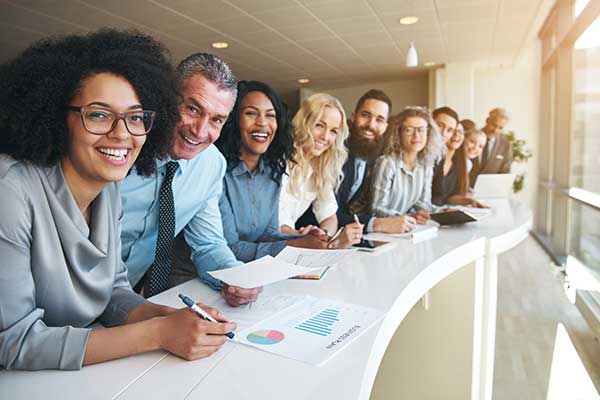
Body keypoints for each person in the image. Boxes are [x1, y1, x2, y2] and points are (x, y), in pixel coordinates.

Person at [0, 30, 235, 371]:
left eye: (136, 117)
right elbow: (13, 341)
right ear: (56, 115)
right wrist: (157, 333)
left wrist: (169, 317)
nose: (122, 133)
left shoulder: (107, 189)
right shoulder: (10, 191)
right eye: (98, 114)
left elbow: (112, 290)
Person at [120, 53, 260, 307]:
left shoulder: (211, 164)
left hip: (125, 301)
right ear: (168, 98)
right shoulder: (121, 147)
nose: (200, 130)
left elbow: (208, 244)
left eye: (216, 119)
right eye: (193, 109)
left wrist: (234, 276)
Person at [215, 81, 328, 270]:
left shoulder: (272, 172)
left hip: (250, 273)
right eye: (251, 113)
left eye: (270, 115)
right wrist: (292, 245)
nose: (262, 123)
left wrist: (305, 238)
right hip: (203, 277)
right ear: (233, 119)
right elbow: (230, 248)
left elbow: (268, 234)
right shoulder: (218, 171)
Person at [279, 93, 363, 247]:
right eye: (319, 125)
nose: (325, 137)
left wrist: (325, 234)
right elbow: (276, 224)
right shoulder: (279, 161)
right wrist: (304, 236)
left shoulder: (320, 167)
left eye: (333, 131)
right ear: (304, 122)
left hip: (291, 245)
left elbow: (329, 217)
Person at [351, 107, 445, 226]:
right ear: (398, 133)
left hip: (402, 228)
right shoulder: (386, 163)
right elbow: (376, 209)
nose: (416, 136)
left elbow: (422, 204)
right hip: (376, 229)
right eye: (409, 130)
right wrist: (408, 217)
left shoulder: (426, 165)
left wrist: (443, 211)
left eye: (421, 130)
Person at [470, 108, 512, 185]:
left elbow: (505, 173)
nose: (495, 130)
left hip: (491, 190)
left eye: (500, 128)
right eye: (494, 125)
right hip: (465, 189)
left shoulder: (506, 145)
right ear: (487, 120)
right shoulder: (471, 137)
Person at [431, 106, 461, 206]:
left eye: (449, 130)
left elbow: (437, 195)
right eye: (440, 125)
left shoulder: (440, 156)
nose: (443, 133)